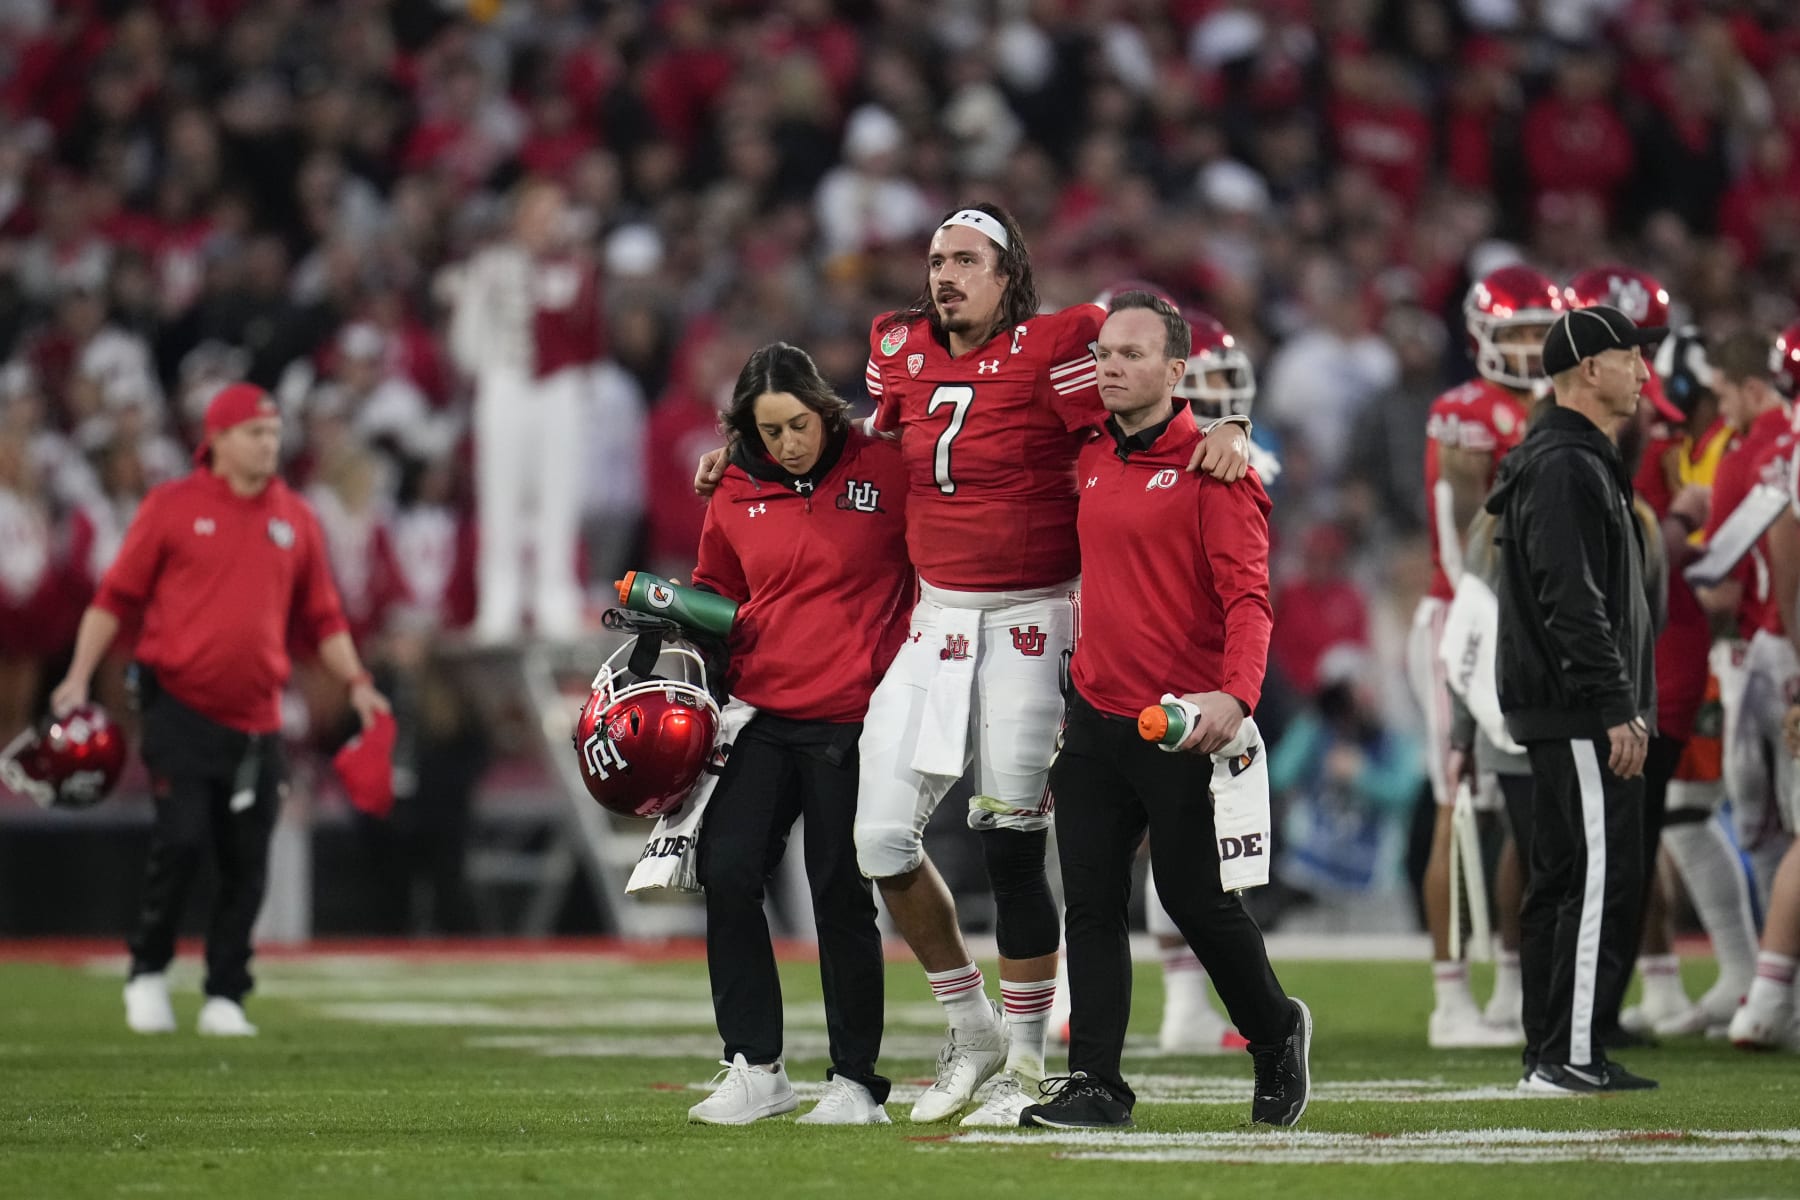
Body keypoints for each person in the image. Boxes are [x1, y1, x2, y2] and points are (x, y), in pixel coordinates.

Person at [694, 203, 1250, 1127]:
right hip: (937, 617)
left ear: (1007, 274)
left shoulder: (1059, 343)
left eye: (965, 260)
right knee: (879, 840)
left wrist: (1223, 424)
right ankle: (973, 1026)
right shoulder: (899, 345)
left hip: (1033, 619)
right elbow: (859, 445)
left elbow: (1135, 407)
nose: (945, 275)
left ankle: (1026, 1065)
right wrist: (749, 455)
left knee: (1012, 844)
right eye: (936, 259)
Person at [1022, 291, 1309, 1130]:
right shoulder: (1088, 446)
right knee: (1091, 903)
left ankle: (1275, 1030)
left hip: (1183, 725)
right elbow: (1015, 387)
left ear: (1177, 371)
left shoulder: (1216, 468)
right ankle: (1096, 1085)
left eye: (1133, 354)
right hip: (1094, 715)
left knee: (1196, 902)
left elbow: (1249, 600)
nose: (1110, 367)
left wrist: (1237, 697)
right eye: (1104, 353)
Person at [49, 383, 389, 1037]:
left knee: (246, 859)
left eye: (274, 432)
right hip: (179, 704)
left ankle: (225, 993)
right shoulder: (172, 507)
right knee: (180, 840)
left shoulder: (295, 517)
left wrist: (357, 680)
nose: (269, 444)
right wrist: (78, 675)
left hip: (258, 718)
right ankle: (149, 969)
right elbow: (115, 597)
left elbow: (323, 617)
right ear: (219, 439)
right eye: (256, 433)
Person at [683, 343, 913, 1125]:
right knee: (727, 869)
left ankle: (856, 1083)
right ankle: (755, 1067)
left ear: (824, 407)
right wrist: (684, 628)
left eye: (798, 424)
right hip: (763, 712)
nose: (787, 442)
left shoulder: (886, 465)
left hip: (856, 713)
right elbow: (716, 587)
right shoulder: (732, 484)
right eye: (769, 430)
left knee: (839, 891)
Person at [1485, 304, 1662, 1093]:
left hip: (1567, 703)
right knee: (1593, 877)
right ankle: (1569, 1055)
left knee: (1562, 878)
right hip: (1581, 707)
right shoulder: (1565, 463)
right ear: (1591, 368)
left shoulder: (1565, 456)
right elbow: (1572, 598)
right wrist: (1616, 701)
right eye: (1631, 357)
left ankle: (1552, 1051)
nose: (1644, 373)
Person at [1410, 263, 1563, 1049]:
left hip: (1525, 622)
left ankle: (1509, 981)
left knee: (1519, 803)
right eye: (1519, 333)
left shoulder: (1556, 405)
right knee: (1459, 801)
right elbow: (1459, 541)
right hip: (1465, 618)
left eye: (1541, 331)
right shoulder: (1464, 411)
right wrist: (1489, 620)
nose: (1532, 347)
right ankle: (1450, 999)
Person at [448, 178, 602, 642]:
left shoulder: (577, 267)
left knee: (559, 494)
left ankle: (556, 596)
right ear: (519, 217)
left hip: (559, 386)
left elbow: (589, 334)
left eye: (555, 212)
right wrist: (490, 367)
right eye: (540, 212)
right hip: (507, 379)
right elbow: (466, 331)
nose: (548, 222)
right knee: (501, 493)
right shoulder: (491, 264)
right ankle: (499, 600)